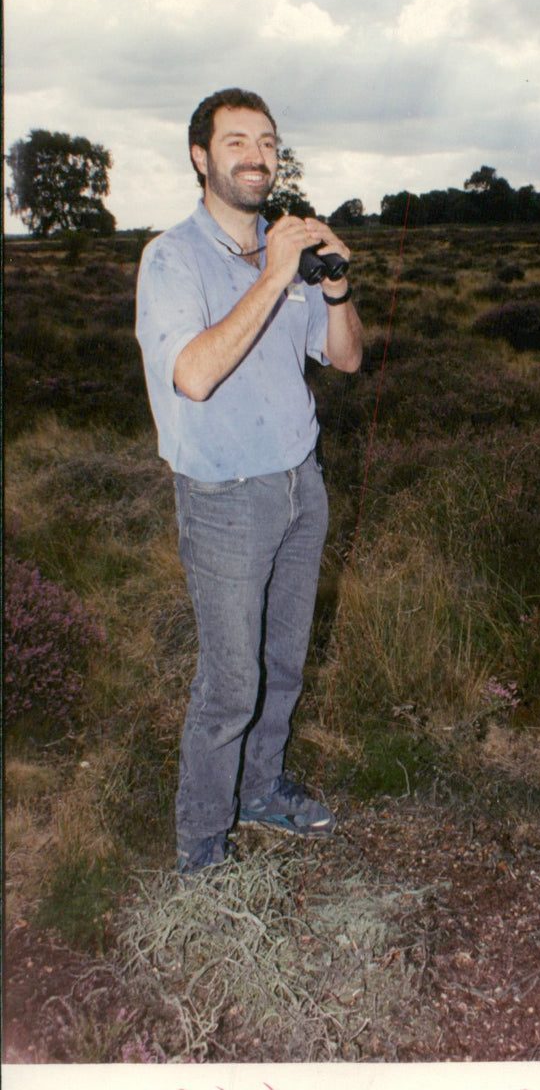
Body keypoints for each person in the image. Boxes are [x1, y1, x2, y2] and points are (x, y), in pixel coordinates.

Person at [136, 87, 362, 875]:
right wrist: (275, 272)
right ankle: (201, 845)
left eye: (267, 141)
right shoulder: (171, 259)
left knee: (285, 664)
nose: (256, 156)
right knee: (231, 685)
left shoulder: (286, 254)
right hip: (227, 497)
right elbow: (193, 375)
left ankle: (261, 791)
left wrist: (331, 287)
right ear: (201, 158)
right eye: (236, 141)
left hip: (301, 485)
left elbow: (345, 358)